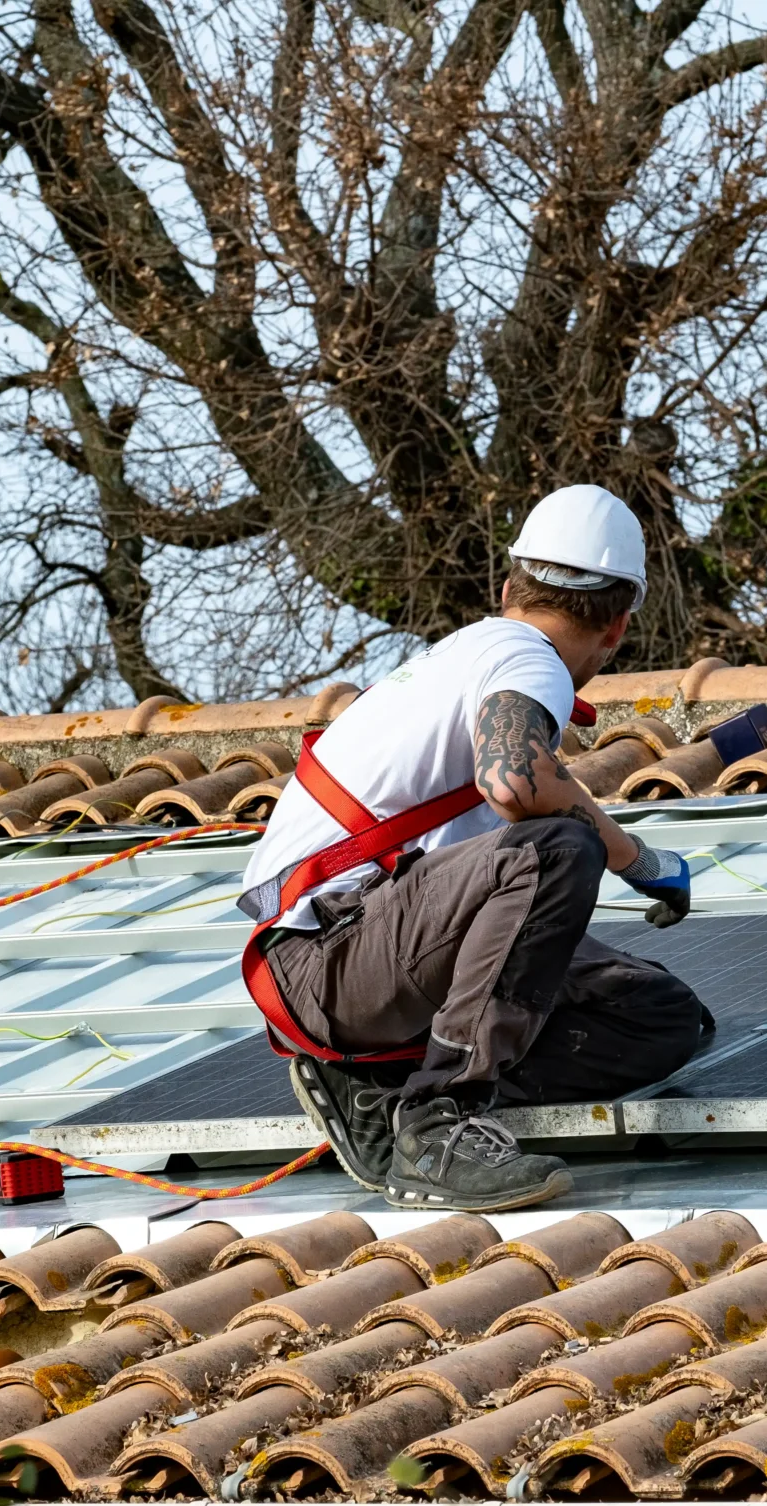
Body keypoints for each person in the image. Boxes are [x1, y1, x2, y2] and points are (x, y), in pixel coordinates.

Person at [240, 484, 715, 1211]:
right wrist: (609, 853)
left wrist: (636, 860)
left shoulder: (467, 656)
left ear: (508, 586)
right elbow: (516, 781)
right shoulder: (526, 657)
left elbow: (532, 804)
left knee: (662, 1016)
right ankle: (438, 1123)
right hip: (327, 961)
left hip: (368, 944)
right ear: (618, 626)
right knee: (554, 854)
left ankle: (385, 1089)